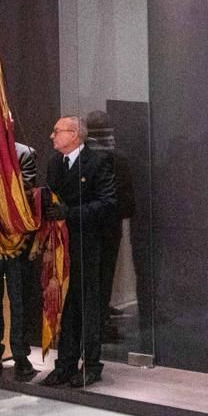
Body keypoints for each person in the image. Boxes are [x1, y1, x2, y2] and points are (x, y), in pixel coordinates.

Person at [40, 116, 118, 388]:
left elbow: (108, 203)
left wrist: (70, 213)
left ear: (74, 134)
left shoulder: (97, 162)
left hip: (88, 244)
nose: (52, 136)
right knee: (66, 307)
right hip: (60, 247)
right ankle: (65, 364)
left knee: (88, 305)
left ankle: (92, 365)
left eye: (57, 131)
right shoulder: (54, 164)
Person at [0, 140, 39, 382]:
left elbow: (21, 194)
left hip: (15, 239)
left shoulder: (24, 153)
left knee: (19, 299)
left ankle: (21, 355)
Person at [85, 111, 136, 344]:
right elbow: (125, 198)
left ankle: (96, 317)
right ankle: (99, 320)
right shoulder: (118, 158)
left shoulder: (82, 157)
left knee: (92, 276)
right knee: (103, 275)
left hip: (85, 224)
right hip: (108, 224)